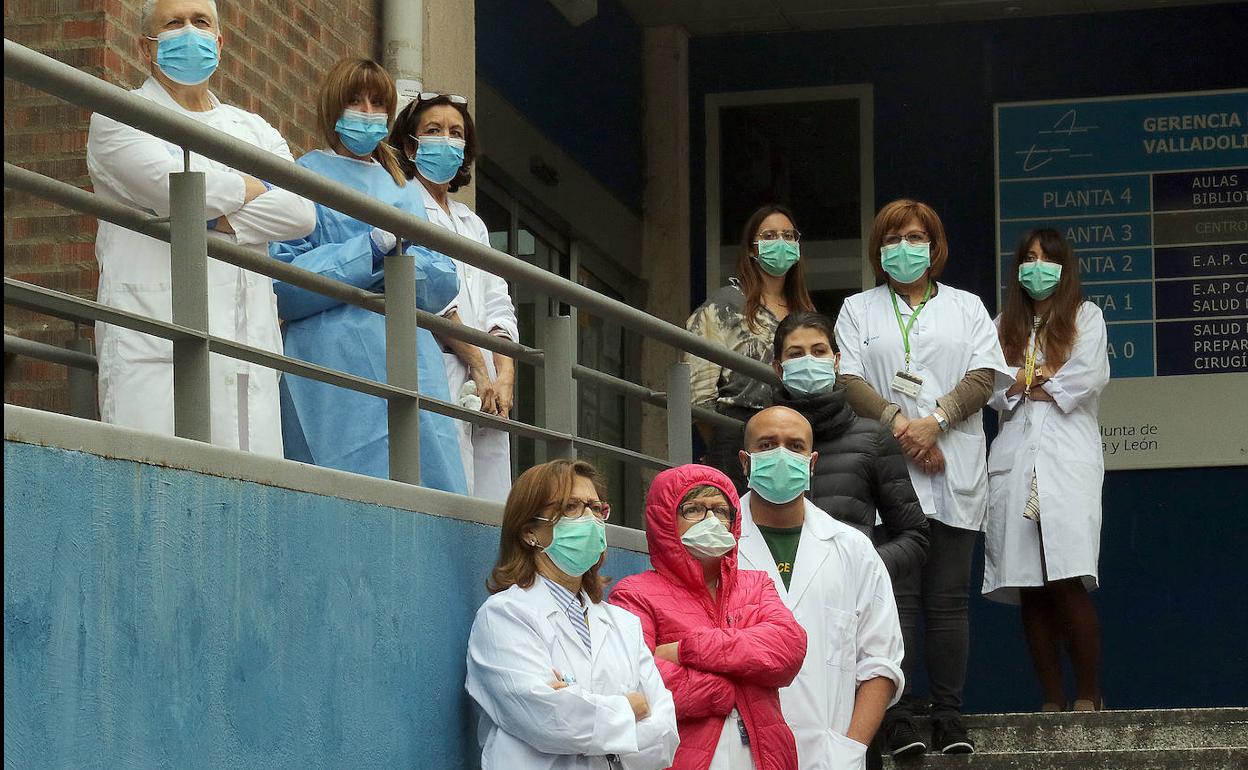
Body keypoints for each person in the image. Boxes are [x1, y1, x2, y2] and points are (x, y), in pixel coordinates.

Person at [86, 0, 315, 453]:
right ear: (145, 49)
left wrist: (212, 212)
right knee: (158, 494)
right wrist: (254, 185)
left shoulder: (255, 129)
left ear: (219, 41)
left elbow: (301, 214)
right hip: (155, 347)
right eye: (173, 23)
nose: (189, 32)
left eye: (200, 22)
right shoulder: (118, 117)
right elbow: (175, 192)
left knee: (250, 502)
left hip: (248, 350)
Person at [834, 199, 1010, 756]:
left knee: (949, 599)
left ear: (934, 247)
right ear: (877, 249)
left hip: (953, 461)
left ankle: (950, 715)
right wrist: (901, 427)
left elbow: (985, 374)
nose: (903, 248)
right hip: (889, 468)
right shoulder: (857, 309)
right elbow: (848, 380)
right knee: (897, 598)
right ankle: (902, 714)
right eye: (892, 239)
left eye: (915, 238)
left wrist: (934, 424)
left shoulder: (967, 307)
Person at [269, 59, 466, 493]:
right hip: (333, 363)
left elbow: (441, 280)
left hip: (410, 361)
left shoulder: (403, 187)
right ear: (332, 108)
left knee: (427, 486)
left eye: (378, 102)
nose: (367, 111)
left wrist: (377, 269)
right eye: (355, 100)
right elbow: (284, 284)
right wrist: (370, 253)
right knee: (342, 493)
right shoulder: (304, 177)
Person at [465, 459, 679, 769]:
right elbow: (546, 719)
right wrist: (628, 707)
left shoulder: (623, 624)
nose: (590, 519)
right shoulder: (504, 616)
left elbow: (664, 736)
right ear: (529, 532)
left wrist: (581, 707)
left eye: (595, 508)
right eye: (571, 508)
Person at [734, 406, 905, 770]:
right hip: (736, 753)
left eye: (795, 446)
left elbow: (881, 663)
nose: (782, 454)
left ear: (812, 463)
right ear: (745, 462)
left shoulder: (852, 549)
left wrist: (850, 749)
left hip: (827, 757)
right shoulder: (719, 547)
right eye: (767, 444)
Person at [610, 464, 808, 770]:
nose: (711, 521)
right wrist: (721, 689)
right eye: (694, 509)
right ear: (665, 520)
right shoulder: (635, 594)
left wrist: (685, 650)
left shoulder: (757, 584)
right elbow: (637, 681)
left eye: (720, 510)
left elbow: (787, 649)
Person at [984, 228, 1109, 713]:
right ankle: (1052, 700)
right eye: (1028, 257)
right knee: (1028, 583)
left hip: (1065, 459)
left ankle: (1087, 694)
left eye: (1047, 258)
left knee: (1066, 575)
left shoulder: (1086, 317)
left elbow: (1087, 377)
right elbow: (992, 386)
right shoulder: (1003, 326)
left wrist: (1026, 381)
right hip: (1016, 461)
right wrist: (1035, 379)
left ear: (1064, 266)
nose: (1037, 266)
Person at [390, 92, 518, 501]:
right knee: (446, 490)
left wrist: (505, 377)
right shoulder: (403, 202)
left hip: (488, 385)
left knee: (492, 501)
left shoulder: (472, 223)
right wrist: (478, 365)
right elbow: (430, 294)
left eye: (455, 133)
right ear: (410, 146)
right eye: (434, 131)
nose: (446, 140)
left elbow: (498, 302)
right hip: (439, 364)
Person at [769, 311, 929, 584]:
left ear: (836, 361)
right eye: (796, 354)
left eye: (819, 351)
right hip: (768, 600)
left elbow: (914, 536)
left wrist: (863, 567)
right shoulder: (753, 438)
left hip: (848, 600)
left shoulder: (872, 438)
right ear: (778, 368)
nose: (809, 361)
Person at [686, 204, 816, 495]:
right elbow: (700, 390)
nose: (780, 242)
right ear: (751, 249)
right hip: (738, 434)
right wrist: (726, 442)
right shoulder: (724, 305)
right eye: (769, 235)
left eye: (788, 235)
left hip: (797, 436)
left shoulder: (804, 311)